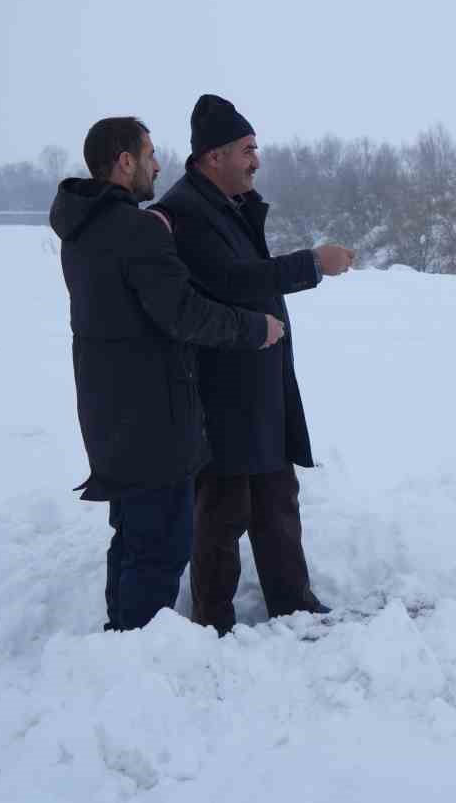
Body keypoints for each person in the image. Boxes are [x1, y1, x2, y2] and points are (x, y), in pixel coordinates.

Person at [50, 115, 285, 632]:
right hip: (153, 415)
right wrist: (254, 329)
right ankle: (139, 654)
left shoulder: (82, 229)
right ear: (124, 161)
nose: (158, 164)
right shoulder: (135, 231)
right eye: (150, 153)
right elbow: (184, 312)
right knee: (161, 546)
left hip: (107, 408)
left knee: (133, 537)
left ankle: (119, 641)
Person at [154, 94, 354, 634]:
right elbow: (232, 280)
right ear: (213, 156)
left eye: (256, 147)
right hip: (221, 385)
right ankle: (211, 620)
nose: (256, 158)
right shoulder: (186, 211)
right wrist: (313, 264)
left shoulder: (227, 204)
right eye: (247, 148)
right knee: (222, 505)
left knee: (276, 496)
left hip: (259, 380)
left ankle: (294, 603)